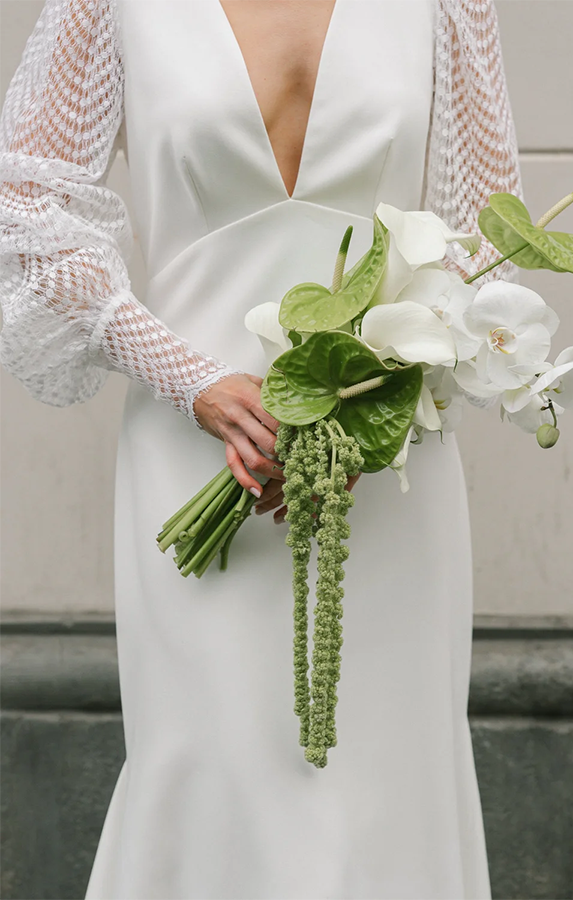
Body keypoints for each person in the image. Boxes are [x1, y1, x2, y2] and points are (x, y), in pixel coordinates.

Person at [0, 1, 522, 897]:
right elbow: (24, 204)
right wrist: (188, 378)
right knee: (207, 765)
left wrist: (371, 402)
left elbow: (490, 229)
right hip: (194, 457)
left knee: (386, 780)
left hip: (384, 465)